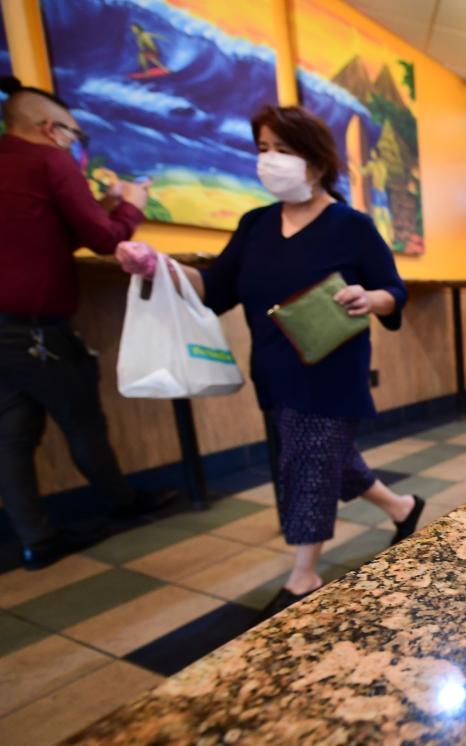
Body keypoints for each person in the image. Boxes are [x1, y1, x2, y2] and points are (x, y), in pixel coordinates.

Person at [117, 105, 425, 618]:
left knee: (305, 463)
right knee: (329, 458)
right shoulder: (255, 225)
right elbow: (214, 289)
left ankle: (303, 576)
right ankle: (403, 508)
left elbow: (394, 290)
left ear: (317, 160)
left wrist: (373, 300)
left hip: (332, 370)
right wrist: (159, 267)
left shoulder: (352, 226)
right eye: (262, 149)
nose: (270, 160)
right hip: (275, 371)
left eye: (283, 149)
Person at [0, 75, 172, 569]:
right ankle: (121, 504)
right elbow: (102, 238)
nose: (76, 146)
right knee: (83, 422)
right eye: (75, 136)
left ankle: (36, 539)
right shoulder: (49, 161)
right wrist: (130, 206)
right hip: (37, 330)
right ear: (51, 128)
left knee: (12, 435)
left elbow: (38, 237)